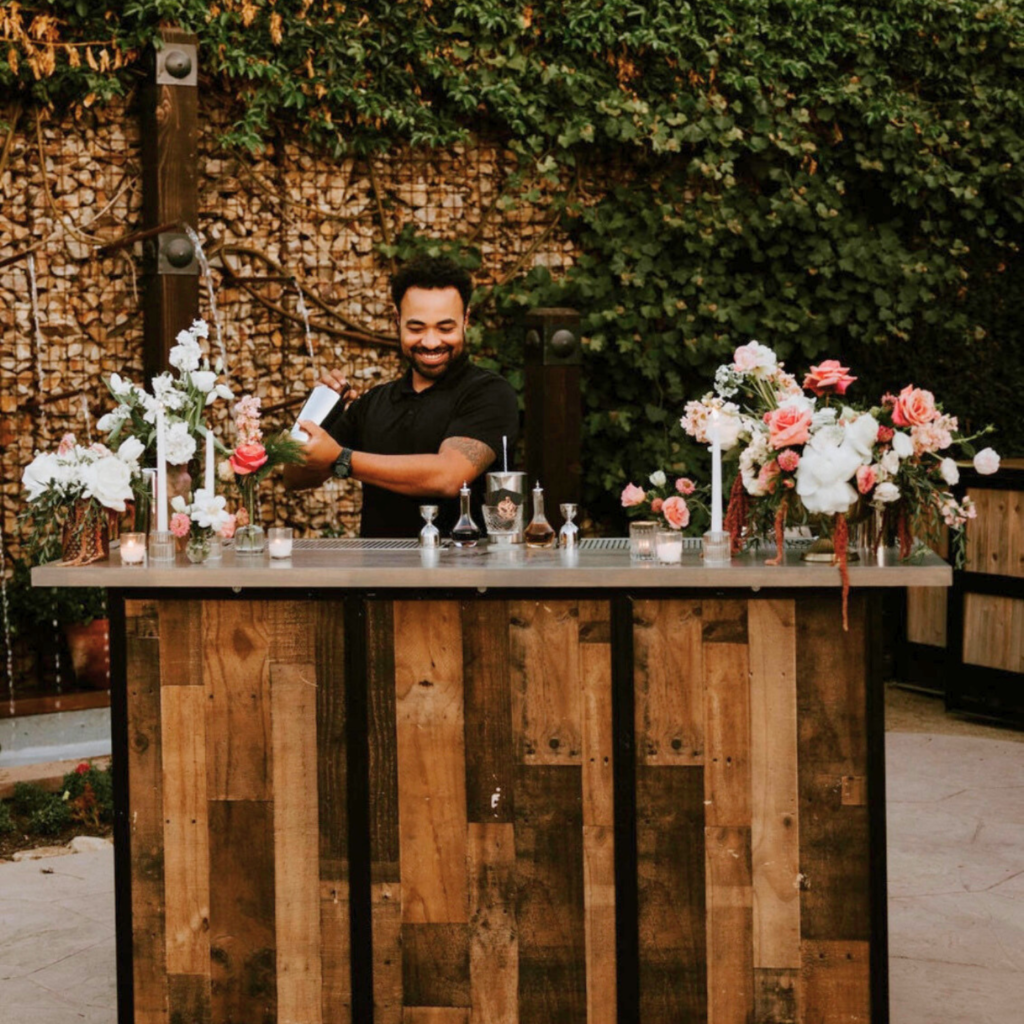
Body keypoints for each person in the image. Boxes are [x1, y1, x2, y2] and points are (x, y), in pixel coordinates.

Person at [284, 254, 519, 537]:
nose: (431, 342)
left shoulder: (489, 393)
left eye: (445, 328)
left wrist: (341, 458)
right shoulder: (375, 402)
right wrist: (319, 413)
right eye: (416, 328)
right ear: (397, 320)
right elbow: (294, 477)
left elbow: (449, 477)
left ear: (465, 320)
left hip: (464, 575)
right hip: (380, 576)